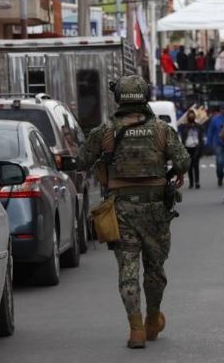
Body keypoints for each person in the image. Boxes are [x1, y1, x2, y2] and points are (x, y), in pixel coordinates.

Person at [78, 75, 190, 349]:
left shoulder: (105, 131)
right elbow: (184, 161)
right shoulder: (162, 130)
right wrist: (174, 172)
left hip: (121, 210)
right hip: (156, 210)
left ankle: (136, 329)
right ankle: (153, 318)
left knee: (127, 270)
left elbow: (82, 160)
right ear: (144, 97)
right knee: (155, 268)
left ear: (119, 99)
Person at [178, 109, 204, 189]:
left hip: (196, 147)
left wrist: (201, 149)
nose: (191, 116)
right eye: (190, 115)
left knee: (196, 165)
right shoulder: (184, 126)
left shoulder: (198, 126)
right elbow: (182, 135)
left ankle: (197, 182)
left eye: (192, 115)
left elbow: (201, 137)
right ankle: (191, 183)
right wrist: (188, 127)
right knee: (189, 166)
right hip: (187, 147)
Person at [206, 105, 224, 186]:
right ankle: (220, 176)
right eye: (223, 108)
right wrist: (208, 143)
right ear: (220, 110)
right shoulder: (215, 119)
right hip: (218, 143)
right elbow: (210, 132)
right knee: (219, 161)